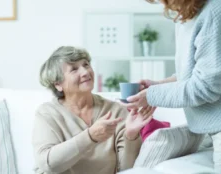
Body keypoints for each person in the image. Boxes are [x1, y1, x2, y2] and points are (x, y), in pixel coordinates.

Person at [123, 0, 221, 173]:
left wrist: (151, 95)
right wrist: (157, 85)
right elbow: (194, 74)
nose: (164, 4)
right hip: (219, 125)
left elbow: (206, 88)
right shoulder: (188, 14)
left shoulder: (215, 13)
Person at [32, 46, 155, 174]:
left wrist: (131, 136)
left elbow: (125, 171)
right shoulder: (47, 113)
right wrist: (90, 136)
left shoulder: (115, 110)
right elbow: (48, 165)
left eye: (86, 65)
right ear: (58, 84)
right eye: (74, 69)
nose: (85, 72)